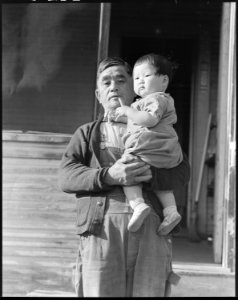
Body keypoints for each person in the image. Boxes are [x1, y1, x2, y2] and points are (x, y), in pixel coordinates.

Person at [58, 57, 190, 297]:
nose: (114, 86)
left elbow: (183, 172)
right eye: (106, 82)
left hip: (151, 230)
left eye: (121, 80)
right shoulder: (87, 133)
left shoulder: (161, 130)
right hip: (102, 232)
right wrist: (109, 175)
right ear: (99, 94)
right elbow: (67, 175)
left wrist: (149, 174)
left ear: (135, 89)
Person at [113, 53, 183, 235]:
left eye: (146, 76)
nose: (140, 81)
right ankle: (171, 211)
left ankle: (138, 205)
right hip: (162, 154)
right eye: (136, 78)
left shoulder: (156, 98)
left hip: (148, 149)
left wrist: (128, 111)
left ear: (164, 80)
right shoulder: (149, 101)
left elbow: (149, 120)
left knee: (127, 172)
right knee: (161, 183)